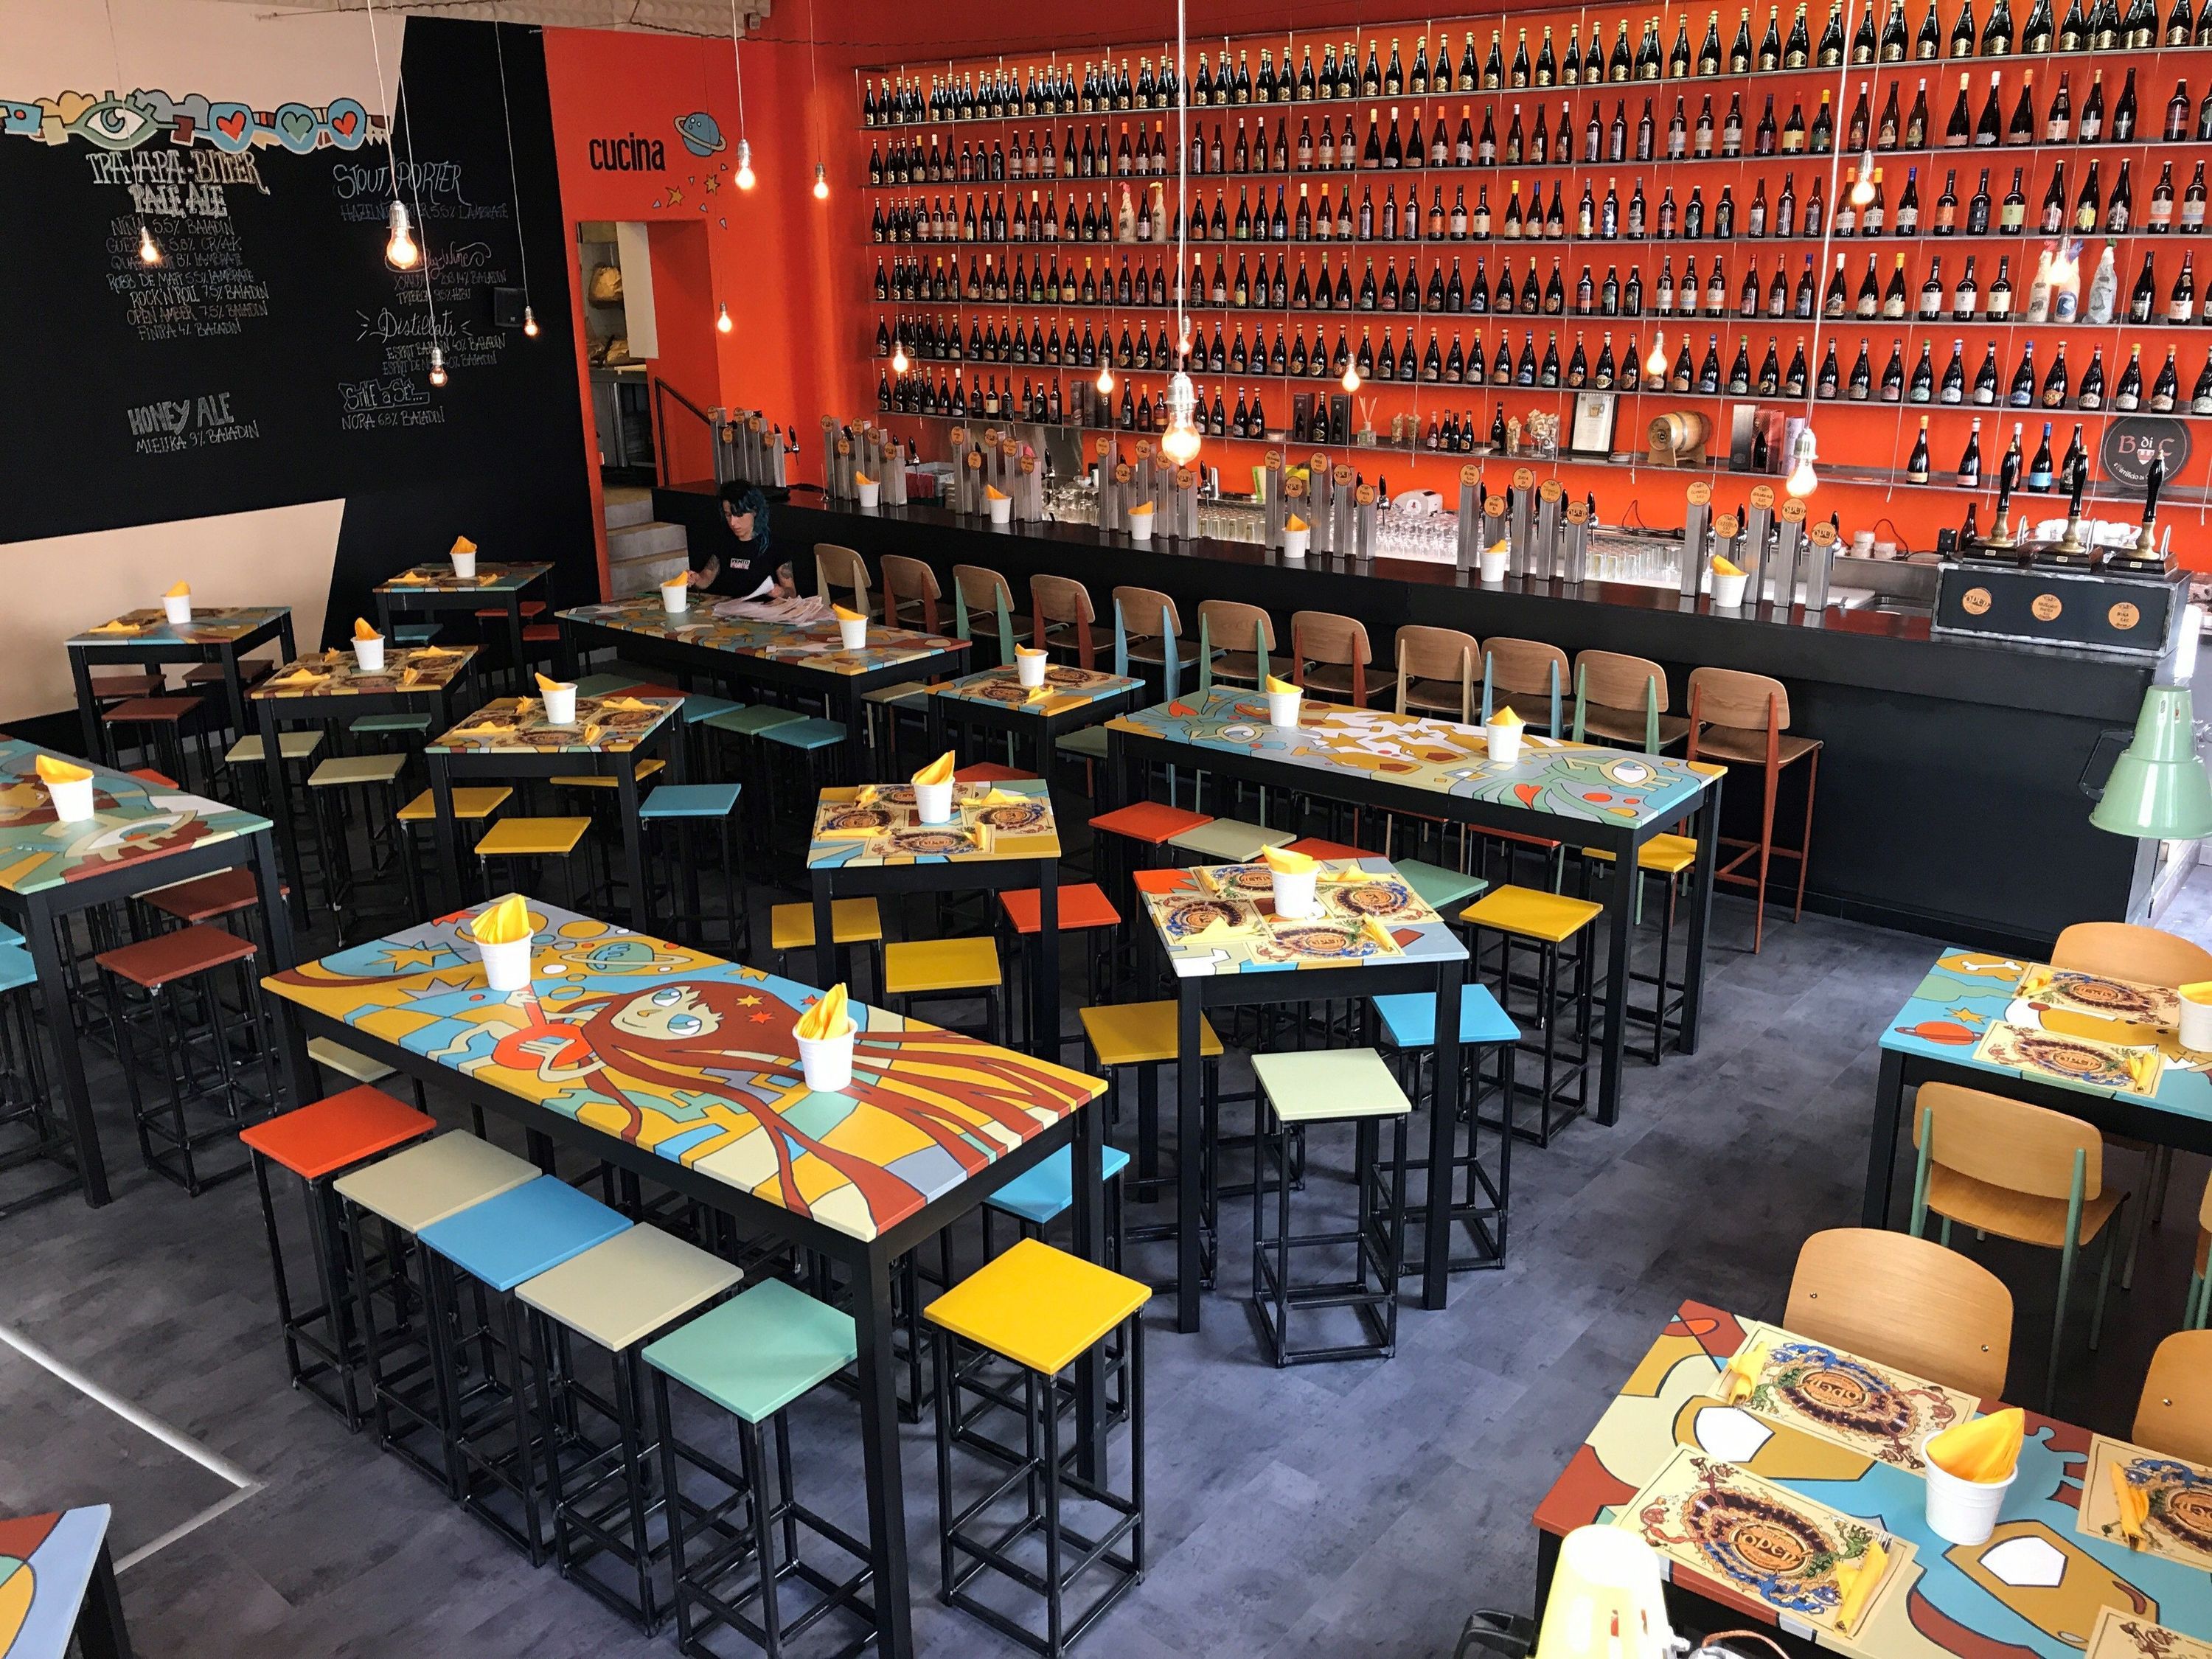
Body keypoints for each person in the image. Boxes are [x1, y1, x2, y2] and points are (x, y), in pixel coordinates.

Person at [687, 481, 796, 598]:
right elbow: (707, 577)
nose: (733, 523)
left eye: (739, 515)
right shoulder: (725, 541)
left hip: (763, 611)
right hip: (732, 609)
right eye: (728, 515)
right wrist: (695, 579)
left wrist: (781, 592)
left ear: (754, 511)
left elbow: (791, 592)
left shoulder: (774, 545)